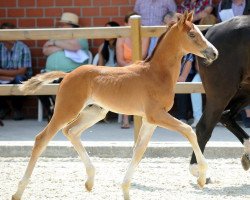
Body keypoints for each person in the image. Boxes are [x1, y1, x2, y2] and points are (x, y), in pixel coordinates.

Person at [39, 12, 89, 121]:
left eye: (64, 24)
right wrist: (64, 48)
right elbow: (46, 50)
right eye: (60, 24)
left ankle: (63, 115)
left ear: (72, 26)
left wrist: (55, 43)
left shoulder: (80, 35)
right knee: (38, 85)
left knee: (65, 89)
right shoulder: (57, 35)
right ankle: (50, 111)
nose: (60, 26)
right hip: (49, 72)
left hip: (70, 73)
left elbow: (75, 47)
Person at [116, 12, 150, 128]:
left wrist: (133, 67)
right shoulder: (121, 37)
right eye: (130, 23)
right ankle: (126, 118)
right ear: (125, 24)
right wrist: (128, 68)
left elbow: (143, 55)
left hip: (140, 66)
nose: (134, 25)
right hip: (124, 67)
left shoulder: (145, 35)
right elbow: (119, 59)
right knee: (125, 81)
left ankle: (144, 116)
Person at [0, 22, 32, 120]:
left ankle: (17, 110)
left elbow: (22, 71)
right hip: (4, 77)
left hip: (20, 77)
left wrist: (3, 74)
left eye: (11, 32)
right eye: (6, 33)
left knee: (19, 80)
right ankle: (3, 108)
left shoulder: (23, 48)